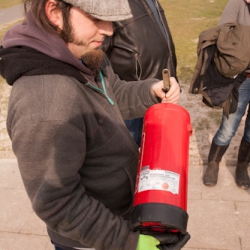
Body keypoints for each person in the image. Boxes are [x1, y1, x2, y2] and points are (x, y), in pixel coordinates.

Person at [0, 0, 190, 249]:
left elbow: (112, 95)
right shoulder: (46, 104)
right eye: (96, 18)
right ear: (54, 12)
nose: (109, 30)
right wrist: (129, 242)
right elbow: (58, 203)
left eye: (111, 19)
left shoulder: (82, 52)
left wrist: (150, 91)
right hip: (92, 239)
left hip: (121, 212)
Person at [102, 0, 178, 147]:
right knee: (126, 152)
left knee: (152, 150)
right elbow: (97, 55)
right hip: (128, 99)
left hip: (157, 91)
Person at [202, 0, 250, 189]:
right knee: (229, 127)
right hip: (242, 79)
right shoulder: (237, 4)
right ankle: (213, 163)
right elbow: (224, 36)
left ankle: (242, 166)